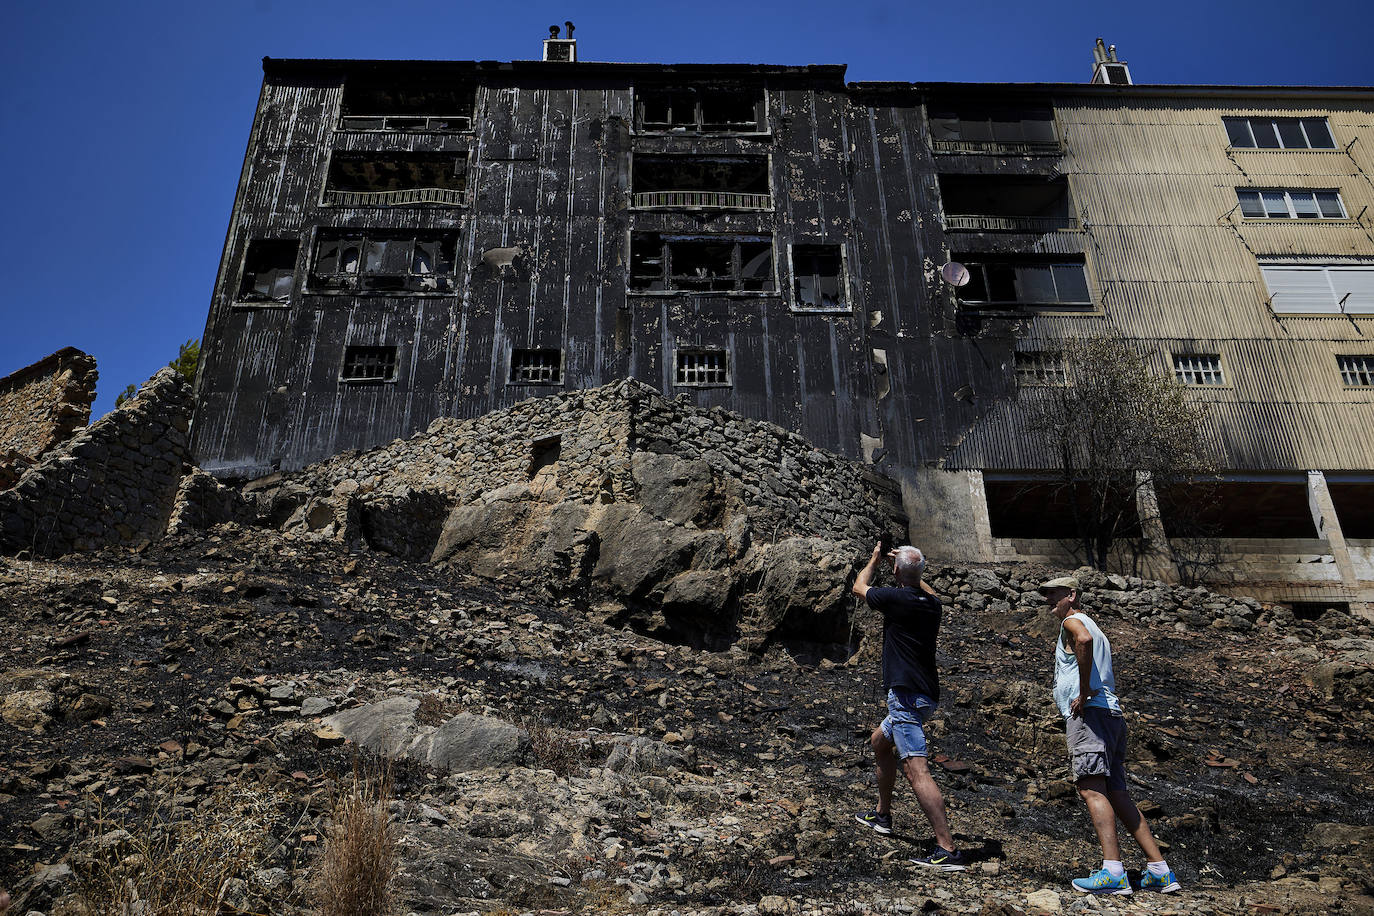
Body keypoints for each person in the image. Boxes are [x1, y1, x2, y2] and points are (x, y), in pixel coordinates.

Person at [1041, 575, 1181, 895]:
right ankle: (1160, 871)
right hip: (1112, 715)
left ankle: (1113, 872)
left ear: (1072, 595)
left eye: (1054, 594)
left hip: (1090, 716)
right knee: (1117, 792)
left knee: (1092, 789)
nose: (1048, 598)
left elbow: (1084, 641)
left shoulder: (1074, 621)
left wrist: (1085, 690)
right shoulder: (1094, 624)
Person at [851, 543, 967, 871]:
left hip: (904, 697)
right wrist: (907, 570)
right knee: (879, 742)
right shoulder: (932, 605)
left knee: (916, 770)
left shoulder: (896, 598)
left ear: (897, 572)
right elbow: (925, 589)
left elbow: (860, 587)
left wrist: (875, 558)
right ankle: (882, 814)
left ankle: (947, 848)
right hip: (926, 696)